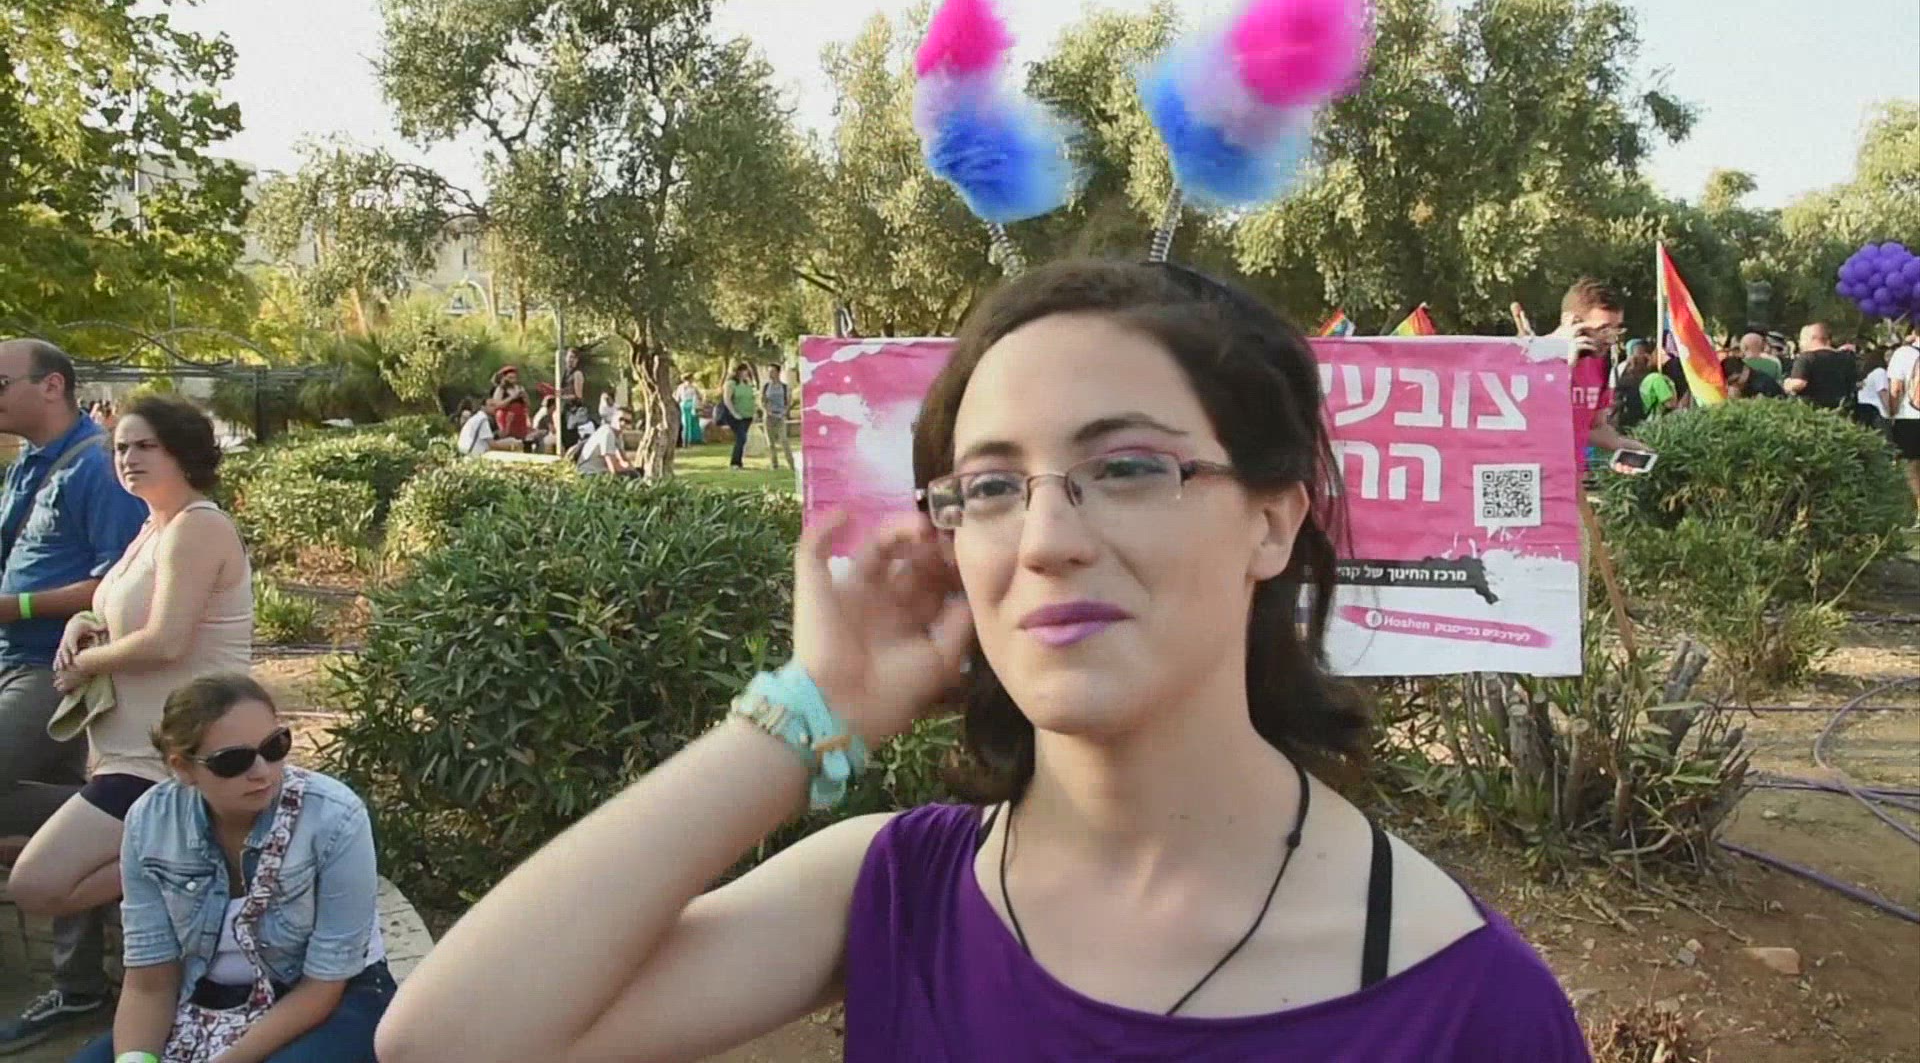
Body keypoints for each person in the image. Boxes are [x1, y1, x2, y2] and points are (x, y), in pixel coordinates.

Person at [375, 260, 1587, 1063]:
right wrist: (812, 711)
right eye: (994, 486)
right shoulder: (895, 895)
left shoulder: (1469, 1005)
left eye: (1128, 468)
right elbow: (446, 1039)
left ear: (1273, 520)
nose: (1047, 539)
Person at [10, 394, 254, 997]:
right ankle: (181, 861)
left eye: (146, 446)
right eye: (121, 447)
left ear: (183, 453)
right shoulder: (153, 527)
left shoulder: (198, 526)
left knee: (37, 885)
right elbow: (111, 606)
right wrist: (81, 625)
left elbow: (167, 640)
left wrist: (84, 664)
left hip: (168, 761)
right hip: (125, 757)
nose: (129, 458)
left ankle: (193, 857)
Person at [69, 674, 395, 1063]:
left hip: (329, 995)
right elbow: (150, 982)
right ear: (182, 767)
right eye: (233, 761)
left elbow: (324, 984)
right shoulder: (151, 822)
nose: (262, 771)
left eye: (274, 747)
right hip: (205, 996)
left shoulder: (334, 817)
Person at [0, 339, 148, 1052]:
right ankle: (78, 986)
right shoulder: (27, 464)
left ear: (52, 385)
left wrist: (17, 609)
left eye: (0, 382)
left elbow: (113, 584)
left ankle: (137, 812)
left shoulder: (97, 466)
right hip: (15, 660)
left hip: (47, 668)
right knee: (62, 812)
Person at [1550, 279, 1649, 471]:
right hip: (1529, 476)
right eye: (1604, 329)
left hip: (1572, 476)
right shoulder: (1531, 360)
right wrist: (1564, 366)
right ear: (1571, 322)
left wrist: (1622, 445)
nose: (1611, 339)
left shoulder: (1600, 364)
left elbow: (1595, 427)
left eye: (1616, 329)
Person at [1784, 323, 1856, 411]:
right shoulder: (1847, 359)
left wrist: (1788, 384)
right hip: (1841, 410)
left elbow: (1799, 383)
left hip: (1812, 411)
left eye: (1802, 339)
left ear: (1812, 338)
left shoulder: (1806, 358)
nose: (1800, 343)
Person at [1888, 328, 1920, 525]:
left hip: (1909, 417)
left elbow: (1895, 389)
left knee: (1911, 466)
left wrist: (1892, 413)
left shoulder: (1903, 354)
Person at [574, 408, 635, 477]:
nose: (623, 423)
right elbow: (611, 465)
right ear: (613, 418)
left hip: (601, 472)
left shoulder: (618, 435)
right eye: (621, 419)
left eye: (627, 422)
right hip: (589, 473)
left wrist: (633, 470)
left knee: (634, 473)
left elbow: (623, 458)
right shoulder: (607, 432)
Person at [760, 363, 796, 471]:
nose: (770, 374)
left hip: (780, 416)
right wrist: (767, 410)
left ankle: (791, 464)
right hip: (769, 416)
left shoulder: (784, 387)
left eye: (772, 371)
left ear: (778, 372)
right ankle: (774, 465)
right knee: (770, 442)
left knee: (784, 440)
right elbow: (762, 401)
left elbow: (789, 401)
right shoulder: (766, 387)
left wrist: (784, 412)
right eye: (769, 372)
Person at [723, 364, 758, 471]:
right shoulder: (731, 383)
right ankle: (734, 463)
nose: (745, 373)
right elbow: (727, 399)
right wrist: (734, 413)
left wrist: (754, 412)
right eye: (743, 371)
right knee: (741, 438)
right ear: (737, 372)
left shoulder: (748, 384)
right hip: (736, 416)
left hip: (748, 415)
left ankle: (739, 462)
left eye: (746, 371)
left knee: (741, 439)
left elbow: (752, 399)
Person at [488, 367, 531, 442]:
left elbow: (528, 404)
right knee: (507, 438)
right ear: (504, 378)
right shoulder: (500, 389)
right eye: (510, 378)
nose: (513, 380)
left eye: (514, 378)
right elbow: (496, 405)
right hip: (506, 418)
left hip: (519, 419)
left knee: (521, 439)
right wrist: (512, 397)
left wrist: (525, 397)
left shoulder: (520, 388)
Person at [1853, 350, 1891, 431]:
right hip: (1877, 412)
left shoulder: (1869, 374)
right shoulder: (1880, 372)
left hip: (1864, 409)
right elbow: (1883, 392)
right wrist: (1890, 412)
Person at [1721, 355, 1786, 400]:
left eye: (1736, 380)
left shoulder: (1761, 384)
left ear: (1745, 370)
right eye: (1730, 383)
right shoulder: (1747, 384)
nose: (1735, 385)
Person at [676, 377, 704, 447]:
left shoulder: (694, 387)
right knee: (686, 423)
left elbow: (699, 396)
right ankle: (685, 441)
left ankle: (694, 440)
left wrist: (698, 402)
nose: (689, 381)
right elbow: (678, 398)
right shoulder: (681, 387)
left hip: (693, 405)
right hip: (684, 405)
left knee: (694, 422)